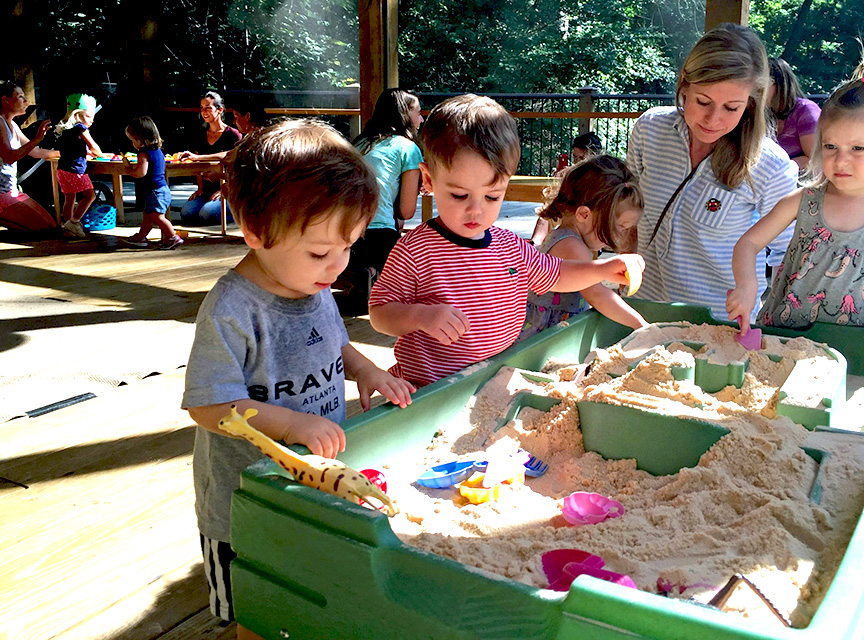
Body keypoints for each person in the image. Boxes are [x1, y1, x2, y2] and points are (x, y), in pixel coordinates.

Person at [181, 119, 415, 622]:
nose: (337, 265)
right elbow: (207, 404)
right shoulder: (233, 309)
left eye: (349, 246)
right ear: (258, 233)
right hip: (244, 499)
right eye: (320, 251)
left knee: (306, 590)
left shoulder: (314, 285)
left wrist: (366, 370)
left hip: (313, 484)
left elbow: (336, 347)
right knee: (252, 605)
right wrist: (292, 424)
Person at [368, 94, 645, 388]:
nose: (476, 209)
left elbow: (558, 274)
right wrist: (420, 316)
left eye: (492, 196)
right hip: (430, 386)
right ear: (429, 178)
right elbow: (380, 313)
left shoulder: (508, 245)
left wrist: (603, 269)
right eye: (460, 195)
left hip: (493, 378)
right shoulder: (415, 250)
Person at [728, 45, 864, 344]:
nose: (840, 161)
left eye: (858, 149)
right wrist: (747, 287)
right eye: (830, 147)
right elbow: (748, 243)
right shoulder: (803, 201)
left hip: (859, 348)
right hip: (784, 341)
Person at [624, 23, 798, 321]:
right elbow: (626, 211)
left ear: (752, 102)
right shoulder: (649, 129)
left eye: (731, 107)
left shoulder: (771, 164)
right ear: (684, 84)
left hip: (720, 328)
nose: (713, 119)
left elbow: (788, 256)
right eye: (703, 101)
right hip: (642, 313)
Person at [520, 155, 648, 340]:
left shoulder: (568, 237)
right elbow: (596, 294)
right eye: (619, 227)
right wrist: (640, 324)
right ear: (584, 214)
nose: (620, 237)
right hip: (544, 337)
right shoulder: (570, 245)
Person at [335, 88, 424, 315]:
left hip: (341, 231)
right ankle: (374, 272)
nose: (421, 119)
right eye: (418, 113)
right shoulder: (407, 148)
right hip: (379, 235)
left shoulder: (359, 143)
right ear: (405, 115)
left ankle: (362, 271)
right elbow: (406, 211)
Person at [0, 80, 58, 232]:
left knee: (51, 225)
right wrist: (37, 138)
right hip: (1, 194)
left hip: (11, 190)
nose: (26, 101)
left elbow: (35, 152)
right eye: (20, 97)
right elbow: (9, 157)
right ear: (5, 100)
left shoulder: (13, 125)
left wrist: (66, 153)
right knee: (44, 229)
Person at [179, 91, 242, 225]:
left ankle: (239, 216)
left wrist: (224, 188)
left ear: (220, 110)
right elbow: (197, 166)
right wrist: (200, 188)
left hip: (227, 188)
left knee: (206, 215)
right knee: (186, 213)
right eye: (202, 108)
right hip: (207, 190)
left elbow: (234, 160)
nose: (204, 111)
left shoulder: (233, 134)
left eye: (208, 107)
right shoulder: (200, 134)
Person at [120, 116, 181, 249]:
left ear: (140, 138)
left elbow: (141, 173)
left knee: (156, 216)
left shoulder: (143, 153)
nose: (132, 144)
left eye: (133, 140)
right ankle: (141, 236)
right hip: (161, 189)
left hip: (155, 191)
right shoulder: (158, 151)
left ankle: (172, 237)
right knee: (148, 216)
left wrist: (129, 169)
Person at [53, 94, 103, 238]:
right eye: (88, 116)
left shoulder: (66, 130)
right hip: (76, 171)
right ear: (77, 115)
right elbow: (93, 146)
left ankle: (67, 226)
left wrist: (87, 154)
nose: (91, 121)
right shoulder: (80, 128)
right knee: (90, 195)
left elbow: (72, 151)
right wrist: (100, 154)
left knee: (70, 199)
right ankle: (74, 222)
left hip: (62, 169)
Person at [769, 57, 821, 170]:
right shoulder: (758, 114)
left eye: (761, 83)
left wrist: (778, 171)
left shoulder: (806, 110)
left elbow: (815, 159)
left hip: (802, 181)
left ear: (779, 84)